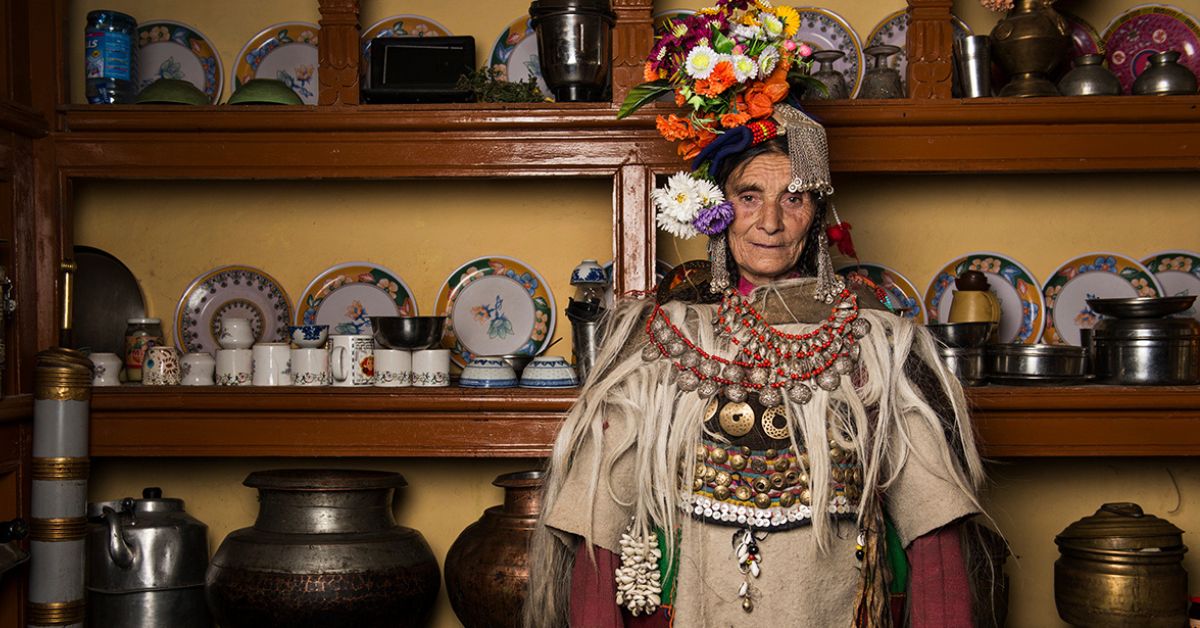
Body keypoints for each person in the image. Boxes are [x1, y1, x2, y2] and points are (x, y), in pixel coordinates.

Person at [526, 2, 986, 626]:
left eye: (793, 198)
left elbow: (934, 531)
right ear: (717, 209)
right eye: (750, 197)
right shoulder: (662, 344)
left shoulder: (875, 345)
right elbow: (598, 521)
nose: (770, 222)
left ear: (817, 215)